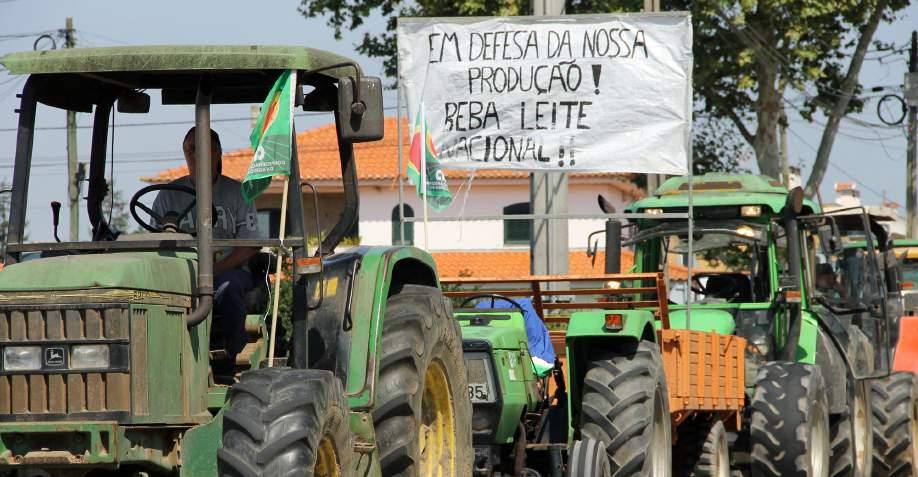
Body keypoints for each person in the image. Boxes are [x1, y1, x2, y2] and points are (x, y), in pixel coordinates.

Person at [152, 127, 259, 366]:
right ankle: (163, 360)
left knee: (228, 288)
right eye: (191, 149)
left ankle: (233, 360)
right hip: (180, 273)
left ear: (218, 152)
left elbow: (250, 245)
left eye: (203, 148)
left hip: (228, 271)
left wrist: (215, 269)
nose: (196, 154)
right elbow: (154, 245)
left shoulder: (238, 193)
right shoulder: (167, 197)